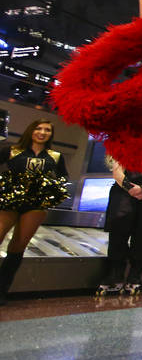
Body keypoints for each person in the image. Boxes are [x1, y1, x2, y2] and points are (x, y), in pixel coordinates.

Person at [0, 119, 68, 305]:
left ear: (51, 135)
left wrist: (52, 189)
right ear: (31, 131)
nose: (42, 132)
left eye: (47, 129)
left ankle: (1, 290)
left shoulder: (55, 156)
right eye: (39, 128)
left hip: (36, 205)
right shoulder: (12, 150)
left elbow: (64, 178)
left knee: (18, 246)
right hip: (10, 200)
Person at [101, 133, 142, 295]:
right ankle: (115, 274)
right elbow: (117, 173)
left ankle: (135, 276)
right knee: (118, 234)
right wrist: (132, 189)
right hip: (123, 193)